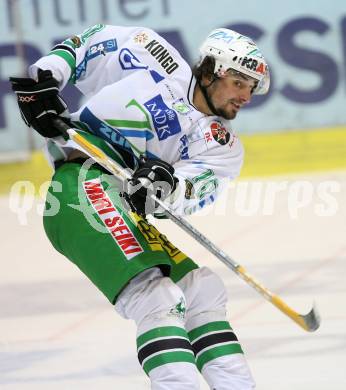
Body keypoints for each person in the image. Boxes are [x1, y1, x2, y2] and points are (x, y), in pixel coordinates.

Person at [10, 25, 270, 389]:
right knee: (157, 298)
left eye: (251, 88)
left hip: (118, 203)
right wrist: (48, 75)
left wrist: (165, 185)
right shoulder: (154, 56)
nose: (246, 96)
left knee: (201, 291)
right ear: (210, 71)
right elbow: (87, 46)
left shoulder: (221, 145)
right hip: (80, 187)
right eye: (240, 83)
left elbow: (191, 190)